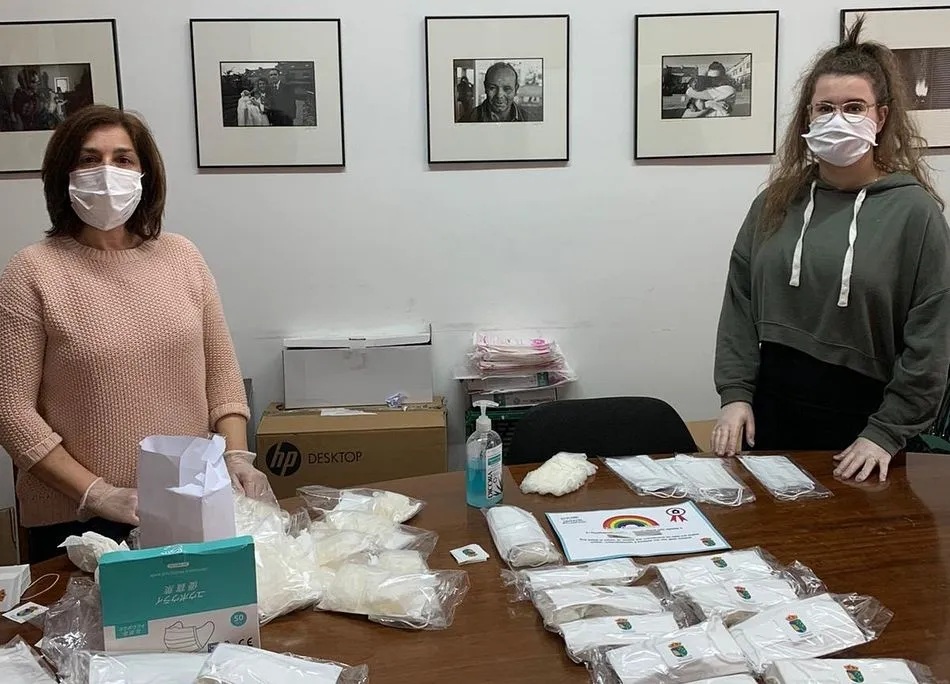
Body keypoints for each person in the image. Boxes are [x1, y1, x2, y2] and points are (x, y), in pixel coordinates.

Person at [0, 105, 272, 563]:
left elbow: (222, 376)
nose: (107, 172)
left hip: (192, 503)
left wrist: (237, 458)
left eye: (123, 159)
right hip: (80, 522)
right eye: (89, 159)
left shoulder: (182, 257)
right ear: (63, 175)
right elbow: (11, 411)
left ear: (145, 174)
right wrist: (97, 493)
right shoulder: (32, 270)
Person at [712, 18, 950, 483]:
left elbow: (933, 336)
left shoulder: (914, 213)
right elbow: (739, 303)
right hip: (770, 412)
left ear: (881, 116)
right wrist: (735, 393)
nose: (838, 119)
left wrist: (886, 432)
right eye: (825, 108)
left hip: (866, 426)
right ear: (808, 117)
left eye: (854, 107)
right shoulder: (775, 203)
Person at [468, 62, 536, 123]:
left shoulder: (530, 121)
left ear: (516, 90)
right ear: (485, 87)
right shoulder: (468, 119)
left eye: (507, 89)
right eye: (492, 88)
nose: (499, 95)